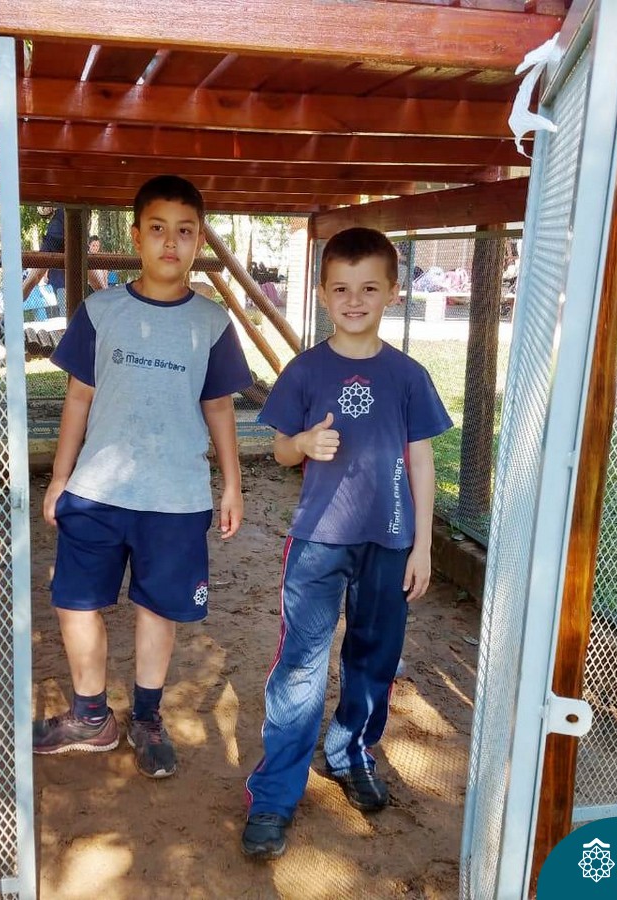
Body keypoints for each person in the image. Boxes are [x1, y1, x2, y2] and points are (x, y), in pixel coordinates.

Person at [240, 227, 452, 859]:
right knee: (301, 663)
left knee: (374, 656)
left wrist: (423, 546)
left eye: (368, 288)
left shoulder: (408, 376)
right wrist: (303, 443)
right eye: (340, 289)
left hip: (390, 542)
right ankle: (275, 793)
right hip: (318, 541)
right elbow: (281, 451)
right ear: (322, 293)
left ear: (392, 291)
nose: (354, 300)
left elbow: (421, 462)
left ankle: (351, 752)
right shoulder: (306, 370)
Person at [35, 175, 253, 779]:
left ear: (199, 240)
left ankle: (147, 717)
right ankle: (90, 717)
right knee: (76, 602)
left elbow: (219, 408)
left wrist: (232, 485)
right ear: (135, 236)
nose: (170, 242)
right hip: (96, 491)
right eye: (158, 229)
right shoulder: (100, 311)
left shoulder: (211, 322)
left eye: (185, 231)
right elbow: (79, 398)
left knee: (157, 609)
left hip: (176, 498)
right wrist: (59, 478)